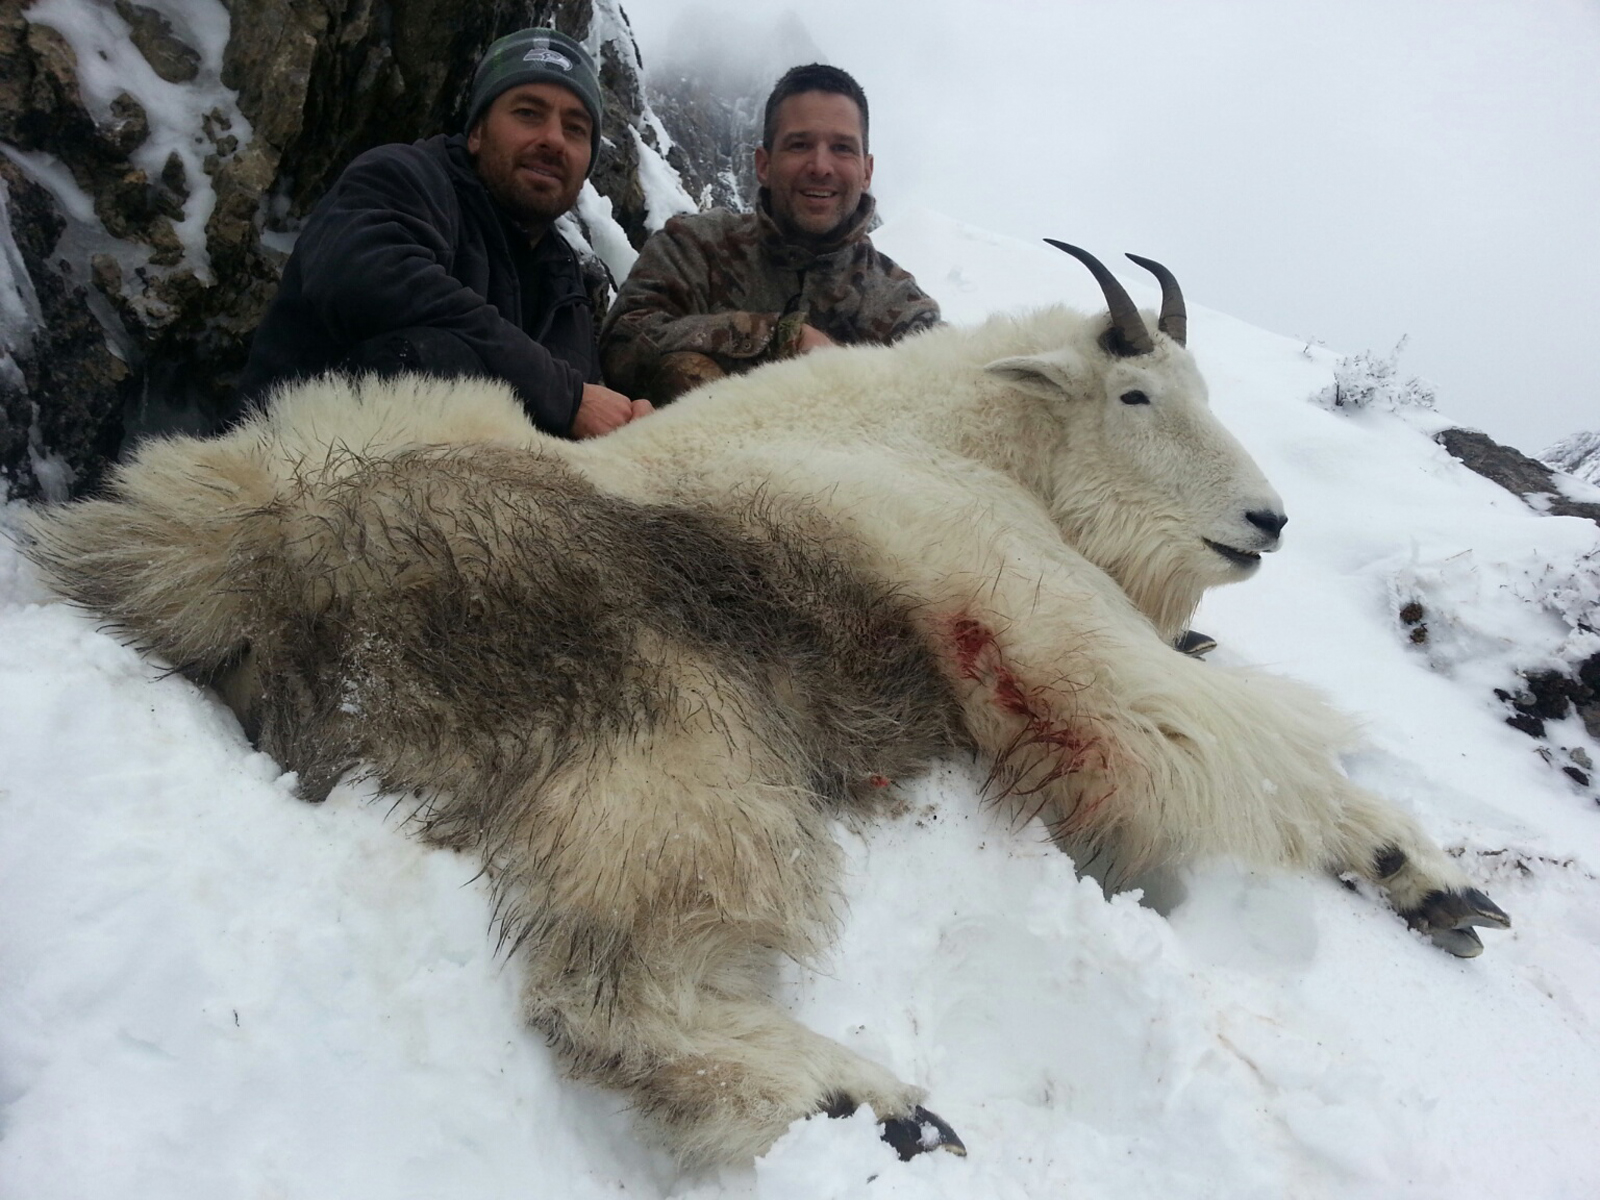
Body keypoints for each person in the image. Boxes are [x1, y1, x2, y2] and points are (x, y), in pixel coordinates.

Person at [234, 28, 648, 439]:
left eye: (575, 129)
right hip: (281, 461)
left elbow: (582, 414)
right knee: (442, 364)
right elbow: (361, 281)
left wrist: (627, 427)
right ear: (477, 132)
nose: (554, 140)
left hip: (470, 480)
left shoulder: (567, 287)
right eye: (528, 113)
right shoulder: (404, 178)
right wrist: (564, 395)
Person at [599, 64, 940, 405]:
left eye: (842, 148)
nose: (821, 167)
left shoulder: (902, 305)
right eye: (799, 145)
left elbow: (942, 399)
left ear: (867, 171)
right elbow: (623, 341)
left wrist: (846, 373)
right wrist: (779, 338)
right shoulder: (692, 247)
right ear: (763, 164)